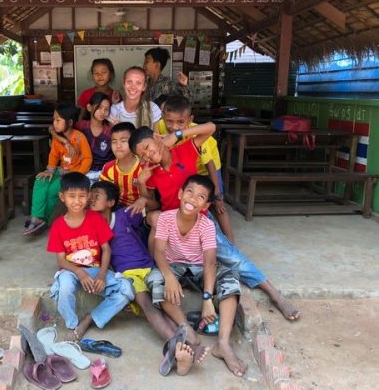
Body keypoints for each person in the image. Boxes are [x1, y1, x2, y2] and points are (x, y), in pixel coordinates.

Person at [129, 126, 300, 322]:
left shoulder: (183, 150)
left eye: (148, 147)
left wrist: (175, 135)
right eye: (142, 154)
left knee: (233, 258)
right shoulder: (149, 171)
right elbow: (153, 204)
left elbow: (210, 128)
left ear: (156, 137)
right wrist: (142, 184)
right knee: (163, 265)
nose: (147, 155)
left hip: (200, 221)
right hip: (174, 225)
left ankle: (276, 296)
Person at [89, 180, 210, 375]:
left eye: (96, 195)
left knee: (161, 300)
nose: (91, 199)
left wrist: (144, 200)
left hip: (148, 266)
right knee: (147, 306)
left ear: (111, 202)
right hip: (127, 275)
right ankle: (181, 348)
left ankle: (183, 343)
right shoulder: (92, 226)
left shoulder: (123, 215)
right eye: (90, 195)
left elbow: (155, 213)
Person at [149, 174, 246, 376]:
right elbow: (158, 252)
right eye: (190, 192)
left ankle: (223, 344)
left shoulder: (207, 225)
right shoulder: (166, 218)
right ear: (180, 193)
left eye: (200, 197)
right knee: (154, 279)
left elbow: (210, 261)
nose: (193, 199)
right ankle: (186, 327)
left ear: (206, 205)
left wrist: (207, 298)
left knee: (230, 276)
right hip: (174, 266)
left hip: (201, 269)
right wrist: (168, 277)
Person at [47, 172, 134, 341]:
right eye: (72, 196)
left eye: (82, 196)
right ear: (62, 197)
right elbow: (61, 260)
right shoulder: (57, 226)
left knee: (126, 290)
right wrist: (80, 273)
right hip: (71, 271)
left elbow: (106, 249)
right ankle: (72, 324)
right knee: (63, 288)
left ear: (88, 196)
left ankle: (91, 318)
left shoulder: (95, 219)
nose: (77, 201)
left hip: (95, 270)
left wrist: (101, 274)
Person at [155, 95, 234, 243]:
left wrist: (217, 196)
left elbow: (209, 165)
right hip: (185, 167)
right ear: (163, 117)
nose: (173, 127)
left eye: (180, 122)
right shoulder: (160, 125)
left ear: (190, 120)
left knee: (218, 205)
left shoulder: (197, 132)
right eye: (169, 121)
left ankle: (230, 240)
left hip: (205, 168)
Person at [24, 104, 93, 236]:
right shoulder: (57, 138)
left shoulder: (79, 137)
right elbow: (54, 155)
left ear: (70, 122)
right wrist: (49, 171)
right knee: (40, 180)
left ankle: (44, 219)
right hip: (60, 170)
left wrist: (77, 175)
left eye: (58, 120)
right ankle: (37, 217)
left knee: (53, 189)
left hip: (73, 173)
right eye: (54, 119)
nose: (54, 123)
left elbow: (87, 158)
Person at [100, 122, 143, 208]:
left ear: (133, 142)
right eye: (114, 142)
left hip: (139, 208)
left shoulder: (143, 167)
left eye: (123, 141)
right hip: (116, 207)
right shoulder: (108, 168)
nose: (118, 146)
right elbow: (104, 192)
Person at [74, 92, 114, 183]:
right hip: (82, 169)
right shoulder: (80, 126)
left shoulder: (109, 132)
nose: (102, 112)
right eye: (99, 107)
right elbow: (60, 130)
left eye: (106, 109)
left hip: (102, 173)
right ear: (89, 107)